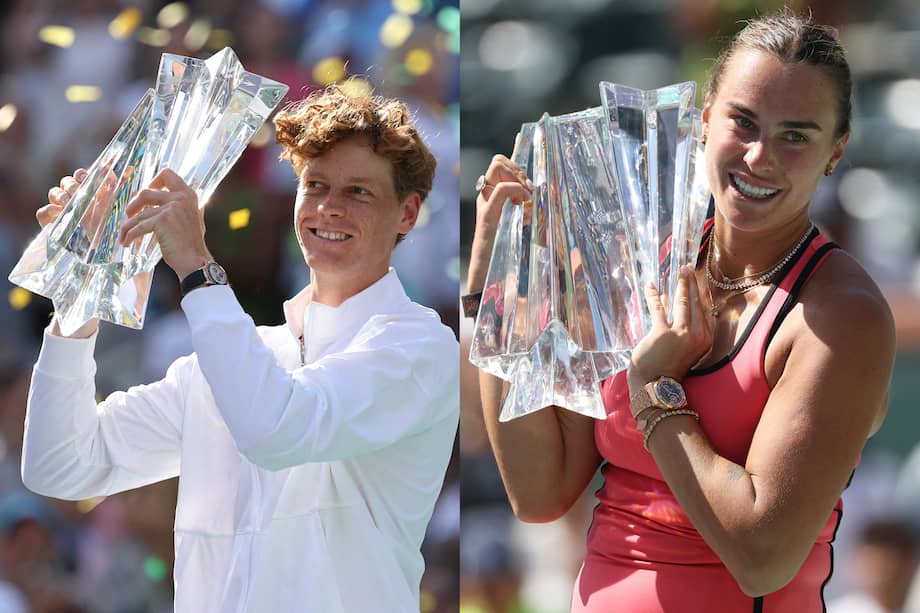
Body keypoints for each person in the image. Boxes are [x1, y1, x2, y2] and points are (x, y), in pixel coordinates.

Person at [465, 10, 895, 613]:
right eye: (742, 122)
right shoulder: (645, 258)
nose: (758, 155)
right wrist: (499, 283)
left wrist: (654, 390)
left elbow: (761, 558)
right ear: (704, 120)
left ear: (836, 150)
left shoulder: (843, 317)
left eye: (795, 135)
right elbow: (539, 490)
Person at [21, 84, 459, 612]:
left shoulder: (420, 345)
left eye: (357, 192)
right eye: (315, 185)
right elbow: (60, 465)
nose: (328, 208)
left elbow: (274, 430)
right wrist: (83, 287)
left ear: (408, 214)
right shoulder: (233, 357)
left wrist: (196, 265)